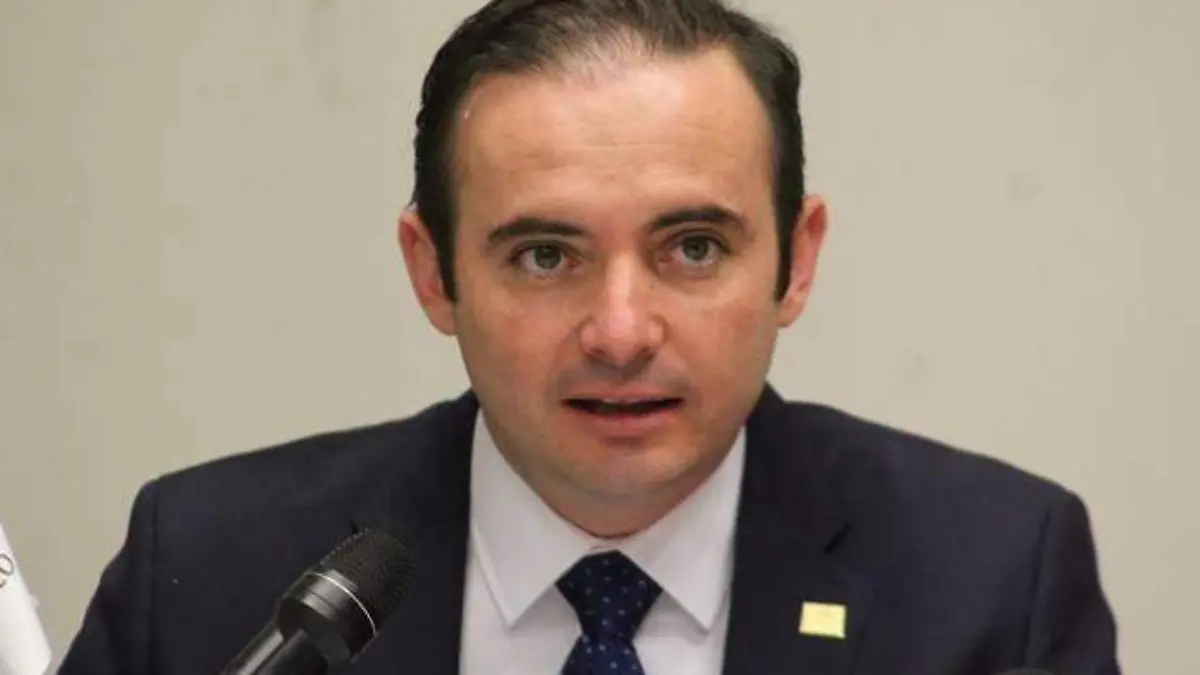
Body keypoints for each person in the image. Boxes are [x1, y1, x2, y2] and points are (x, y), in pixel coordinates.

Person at [58, 1, 1121, 674]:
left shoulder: (993, 585)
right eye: (544, 255)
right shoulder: (210, 570)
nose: (620, 332)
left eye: (693, 248)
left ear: (796, 261)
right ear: (432, 272)